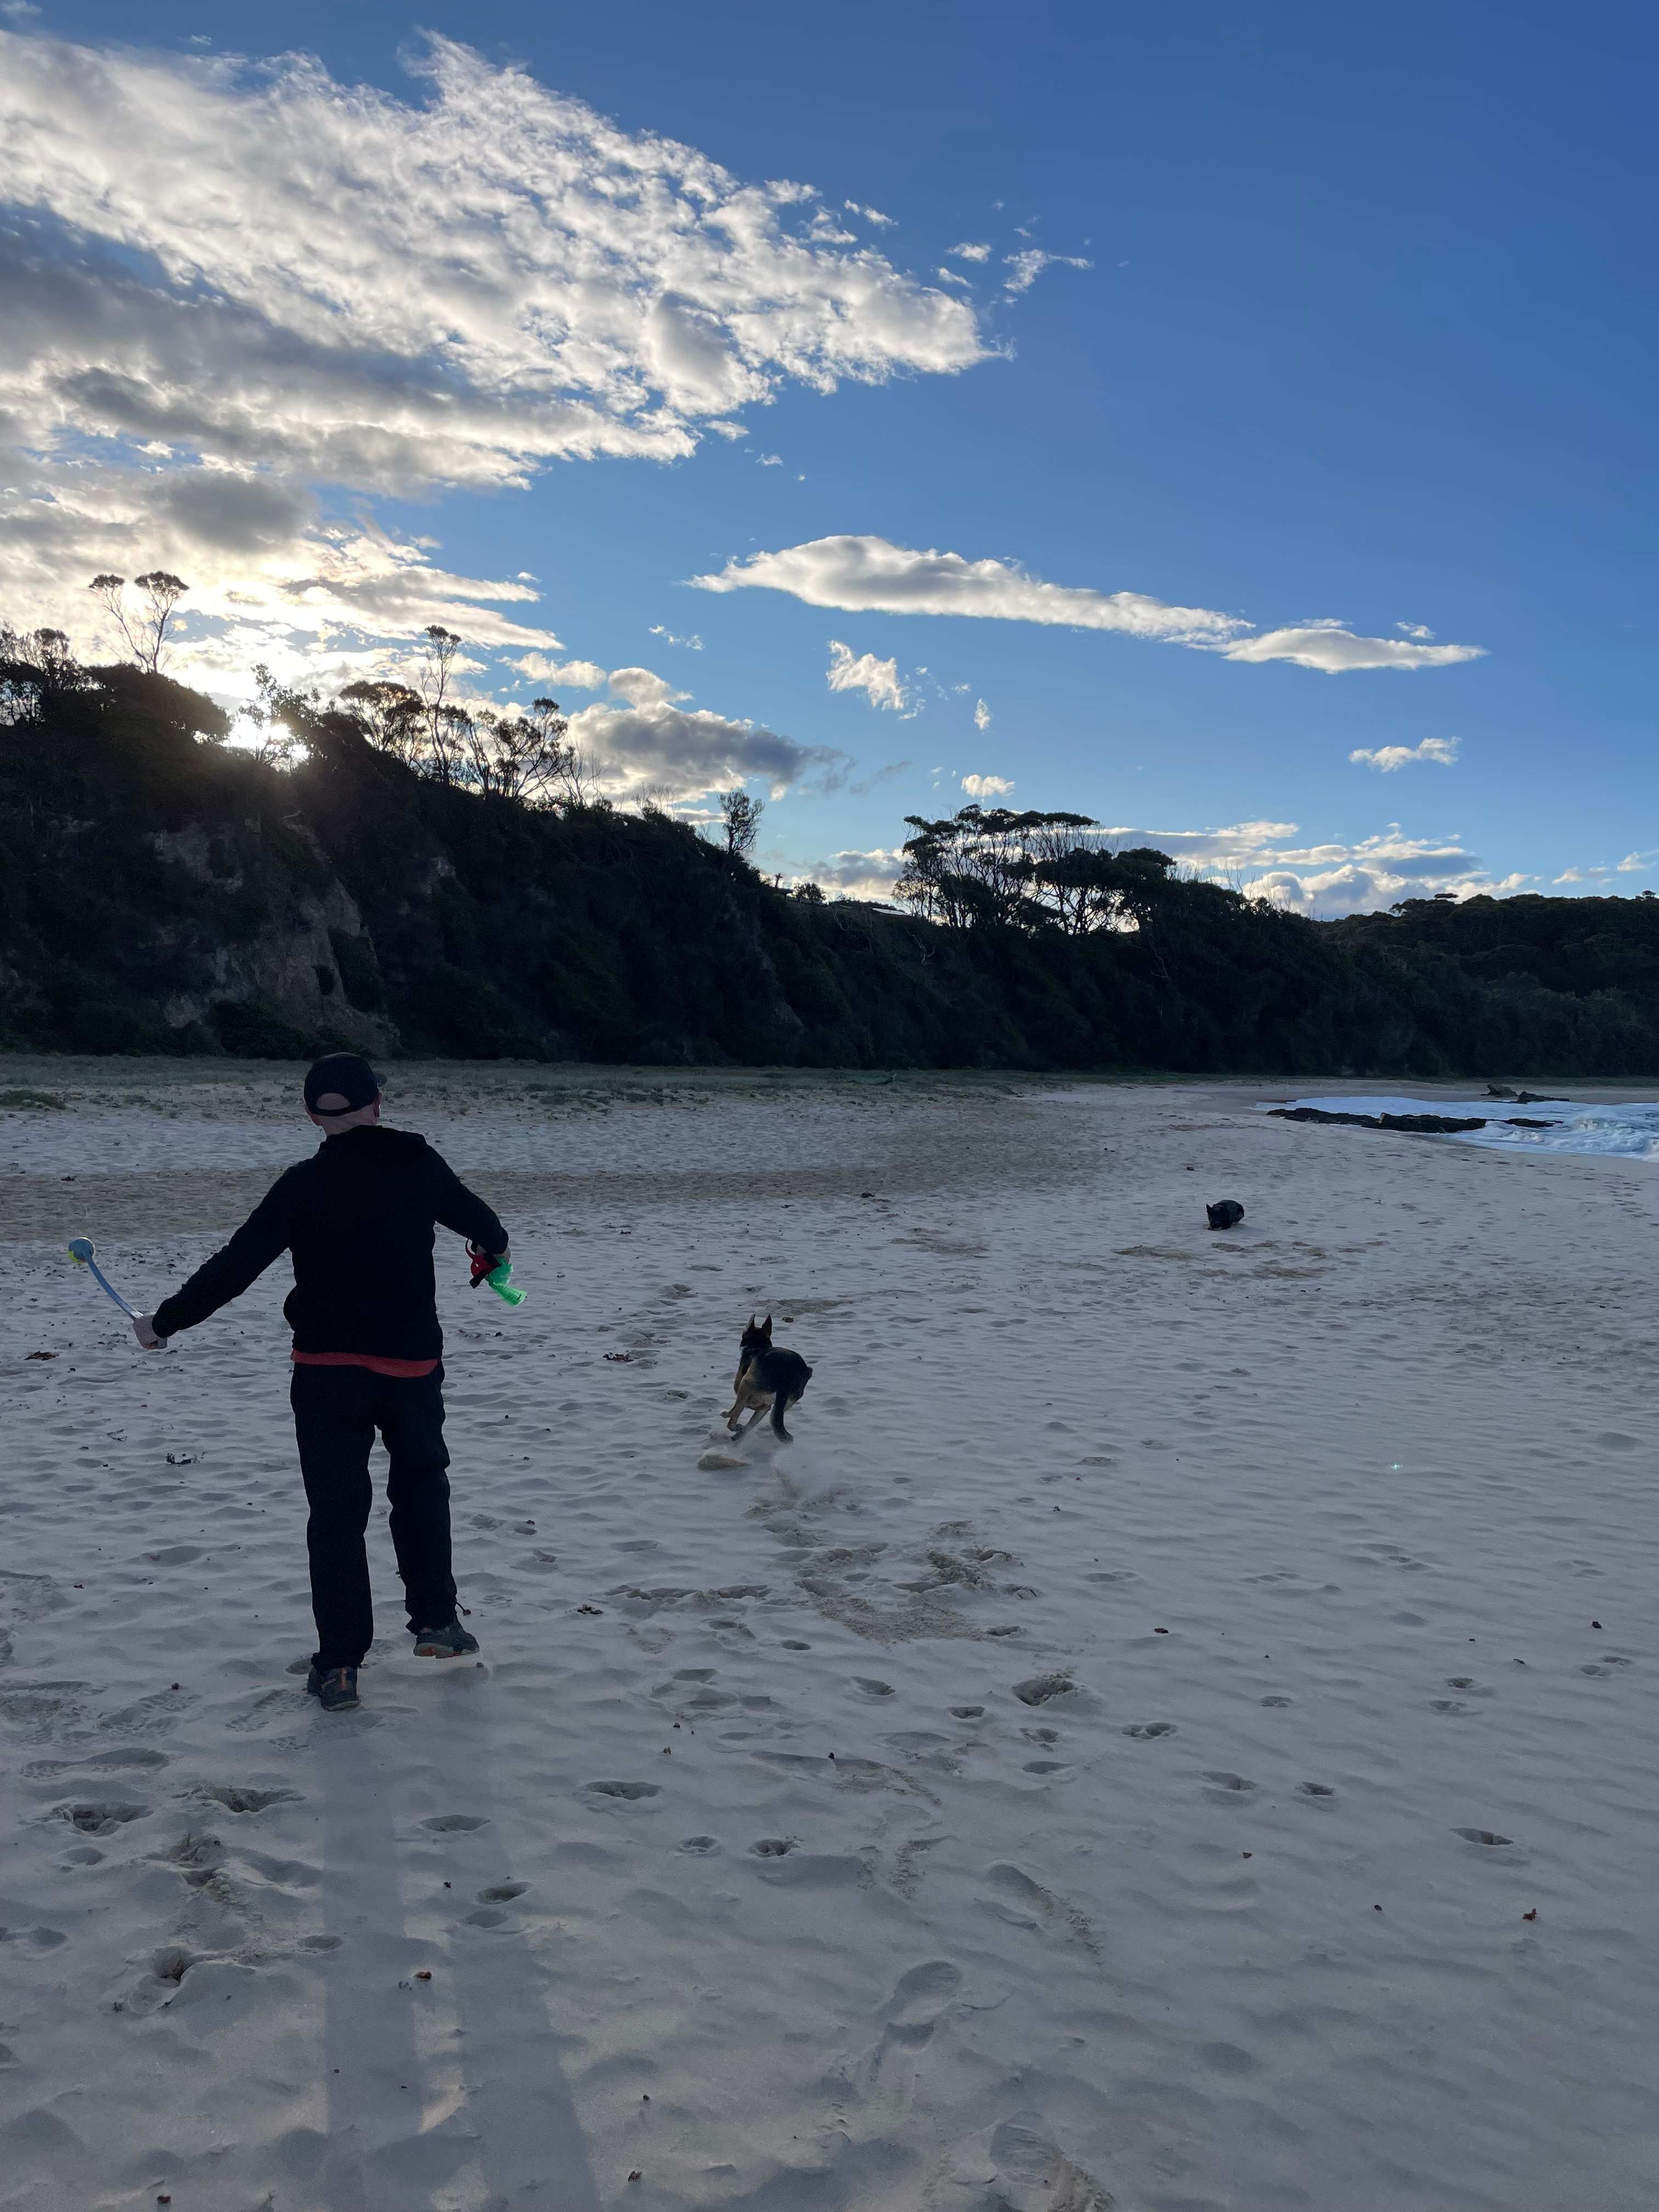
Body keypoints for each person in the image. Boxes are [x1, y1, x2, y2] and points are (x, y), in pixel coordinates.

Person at [136, 1053, 510, 1714]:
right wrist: (493, 1252)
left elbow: (235, 1267)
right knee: (421, 1486)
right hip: (410, 1366)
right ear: (378, 1105)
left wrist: (162, 1323)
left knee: (336, 1515)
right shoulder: (419, 1165)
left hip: (326, 1372)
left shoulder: (301, 1185)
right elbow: (487, 1228)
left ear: (312, 1116)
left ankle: (339, 1667)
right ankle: (436, 1622)